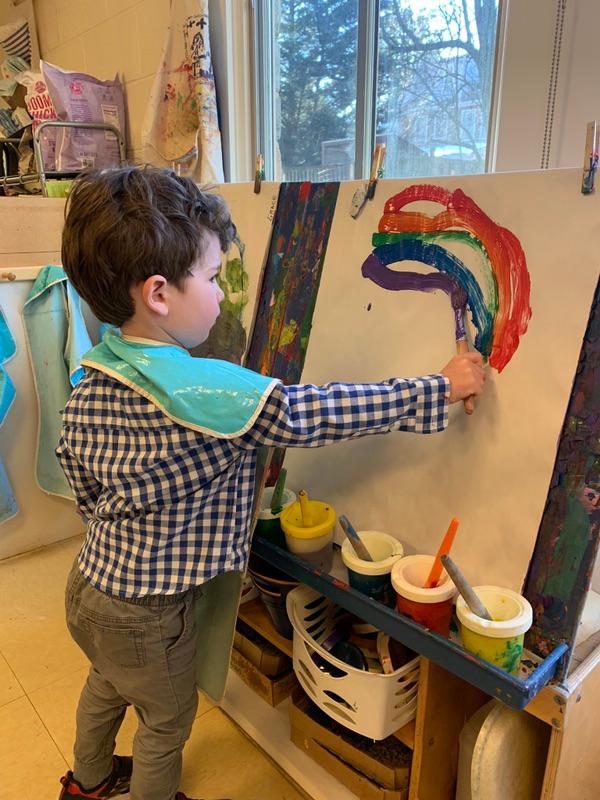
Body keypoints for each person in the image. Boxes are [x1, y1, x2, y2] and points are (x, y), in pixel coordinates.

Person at [56, 165, 486, 800]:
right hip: (146, 616)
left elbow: (78, 475)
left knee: (106, 683)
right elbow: (317, 413)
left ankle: (86, 782)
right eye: (211, 278)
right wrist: (439, 387)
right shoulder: (199, 394)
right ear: (158, 294)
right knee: (165, 721)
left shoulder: (99, 372)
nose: (222, 295)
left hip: (90, 588)